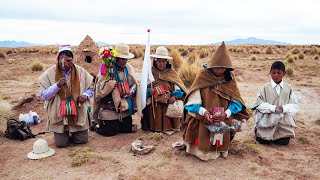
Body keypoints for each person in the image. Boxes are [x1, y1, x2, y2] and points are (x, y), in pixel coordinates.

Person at [183, 42, 249, 161]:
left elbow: (237, 102)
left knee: (222, 133)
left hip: (223, 118)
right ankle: (201, 152)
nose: (219, 70)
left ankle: (221, 151)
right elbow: (191, 102)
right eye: (217, 67)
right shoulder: (203, 76)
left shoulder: (230, 79)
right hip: (203, 117)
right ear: (211, 66)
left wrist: (226, 114)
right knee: (202, 140)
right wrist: (204, 112)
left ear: (227, 68)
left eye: (223, 67)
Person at [39, 45, 94, 148]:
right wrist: (57, 86)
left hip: (77, 113)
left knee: (82, 140)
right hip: (59, 116)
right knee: (61, 144)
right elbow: (43, 95)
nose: (66, 64)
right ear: (58, 59)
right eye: (64, 61)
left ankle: (75, 132)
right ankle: (64, 134)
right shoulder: (49, 73)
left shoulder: (81, 71)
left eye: (69, 61)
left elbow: (91, 88)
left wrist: (85, 95)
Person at [93, 43, 142, 136]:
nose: (124, 61)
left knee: (127, 129)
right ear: (116, 58)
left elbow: (134, 83)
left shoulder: (128, 68)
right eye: (122, 59)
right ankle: (95, 126)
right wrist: (110, 86)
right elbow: (99, 88)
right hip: (109, 107)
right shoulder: (107, 68)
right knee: (110, 132)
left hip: (124, 106)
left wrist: (132, 89)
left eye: (126, 59)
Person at [141, 46, 187, 134]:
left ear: (166, 62)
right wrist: (149, 91)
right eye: (159, 61)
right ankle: (152, 126)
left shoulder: (171, 73)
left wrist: (175, 96)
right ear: (155, 61)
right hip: (155, 102)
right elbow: (144, 88)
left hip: (170, 101)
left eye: (163, 61)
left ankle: (172, 126)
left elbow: (178, 87)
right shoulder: (150, 73)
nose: (161, 64)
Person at [252, 61, 299, 145]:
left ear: (284, 73)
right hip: (267, 122)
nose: (276, 75)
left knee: (283, 142)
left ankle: (281, 134)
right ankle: (259, 131)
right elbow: (258, 104)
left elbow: (294, 105)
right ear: (270, 73)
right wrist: (273, 108)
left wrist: (284, 108)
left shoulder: (289, 88)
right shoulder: (265, 88)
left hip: (283, 123)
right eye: (273, 73)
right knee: (264, 141)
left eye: (279, 73)